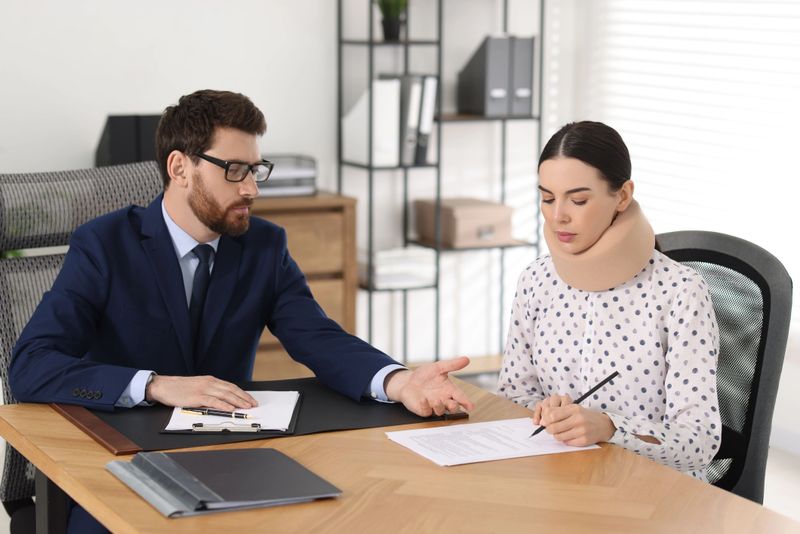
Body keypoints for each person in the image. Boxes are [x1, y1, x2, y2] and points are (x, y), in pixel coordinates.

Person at [9, 89, 474, 533]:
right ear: (180, 167)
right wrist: (155, 384)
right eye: (234, 169)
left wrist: (398, 381)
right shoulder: (105, 244)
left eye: (256, 169)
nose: (251, 188)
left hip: (229, 457)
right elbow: (31, 365)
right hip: (118, 462)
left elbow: (316, 336)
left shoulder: (263, 246)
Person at [498, 121, 721, 480]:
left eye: (579, 199)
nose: (558, 216)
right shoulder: (536, 280)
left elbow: (699, 443)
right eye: (547, 198)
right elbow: (512, 396)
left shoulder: (680, 292)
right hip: (557, 479)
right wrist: (546, 411)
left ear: (622, 195)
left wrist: (610, 427)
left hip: (649, 494)